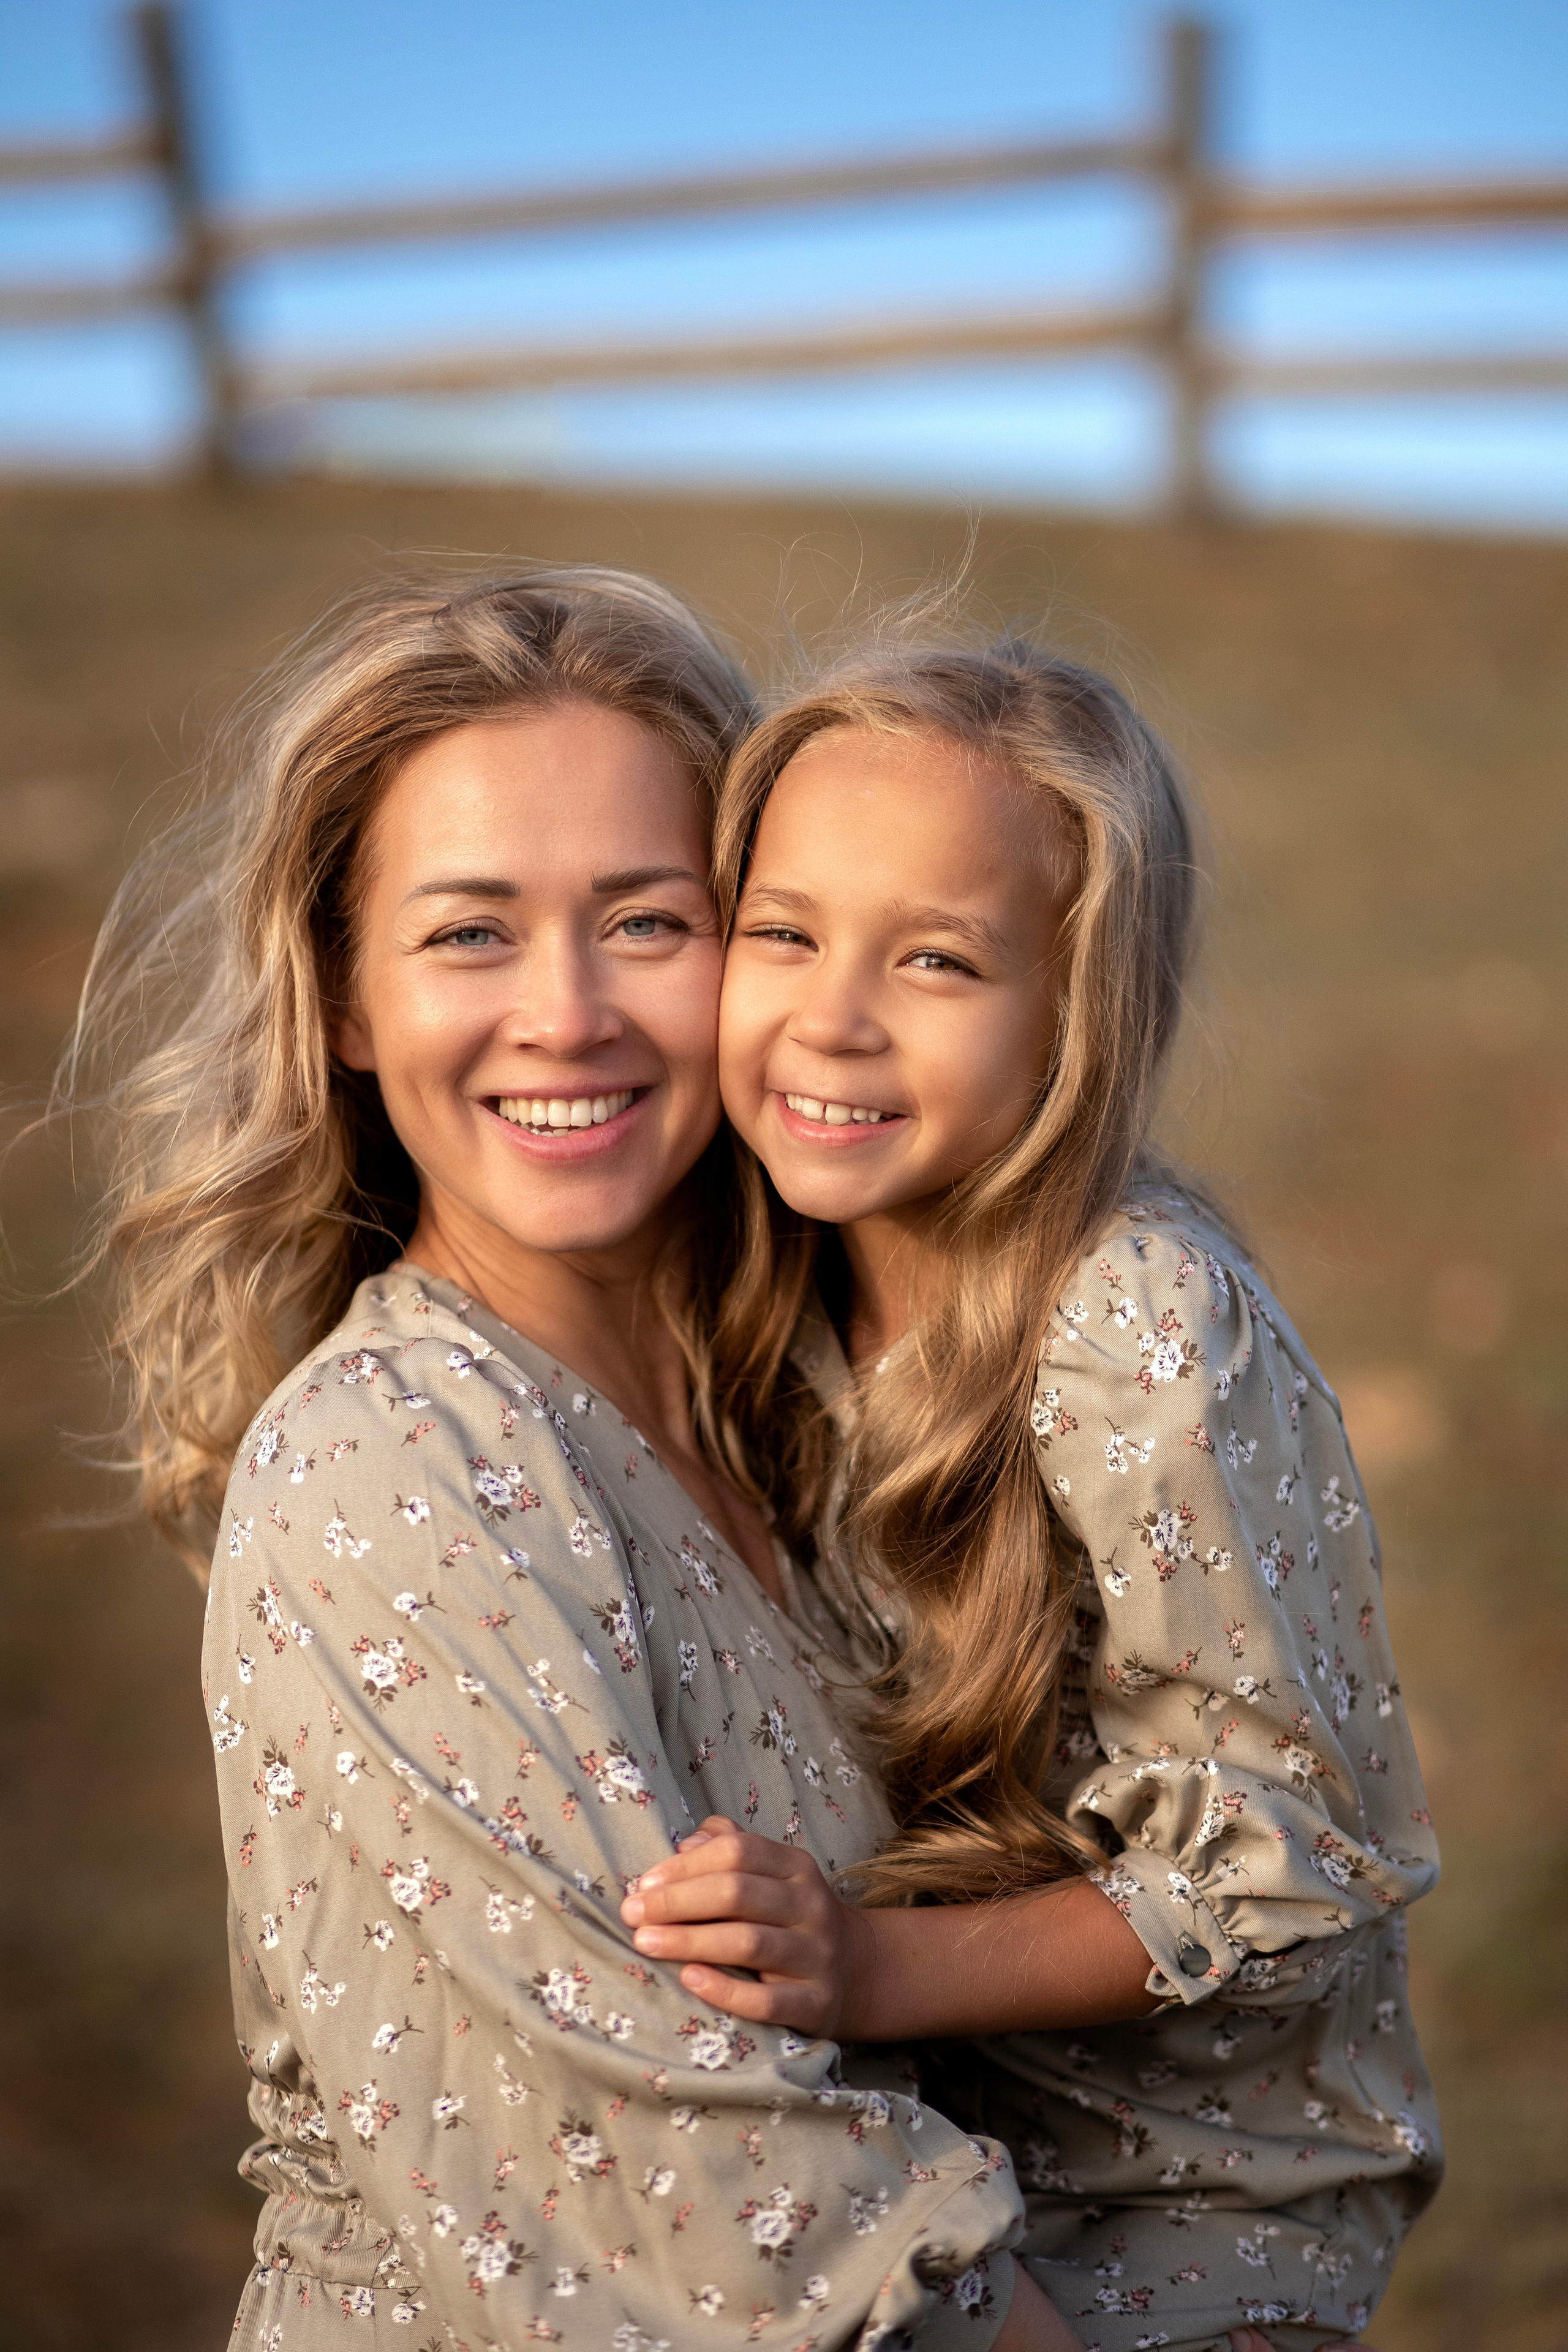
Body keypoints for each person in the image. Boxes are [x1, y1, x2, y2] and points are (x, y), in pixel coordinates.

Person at [69, 571, 1082, 2348]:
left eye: (647, 922)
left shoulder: (809, 1410)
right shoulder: (395, 1474)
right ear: (348, 1000)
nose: (568, 1015)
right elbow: (733, 2233)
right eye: (470, 933)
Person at [612, 636, 1442, 2352]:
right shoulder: (764, 1267)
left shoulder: (1134, 1326)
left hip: (1197, 2203)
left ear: (1074, 1012)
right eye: (786, 932)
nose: (833, 1016)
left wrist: (865, 1970)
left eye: (937, 958)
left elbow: (1288, 1861)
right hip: (937, 2145)